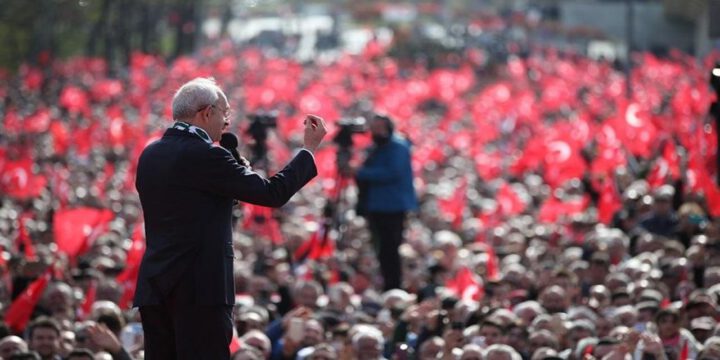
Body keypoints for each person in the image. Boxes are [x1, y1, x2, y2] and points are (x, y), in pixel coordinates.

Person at [134, 77, 327, 359]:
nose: (227, 122)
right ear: (206, 112)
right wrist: (308, 150)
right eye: (225, 112)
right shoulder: (204, 155)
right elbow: (272, 194)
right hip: (200, 289)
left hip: (156, 285)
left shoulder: (151, 153)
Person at [351, 114, 418, 290]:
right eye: (373, 128)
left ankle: (393, 284)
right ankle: (387, 281)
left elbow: (392, 172)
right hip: (377, 206)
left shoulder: (398, 147)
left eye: (379, 128)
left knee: (390, 249)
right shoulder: (376, 147)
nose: (375, 132)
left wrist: (360, 172)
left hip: (392, 206)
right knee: (381, 249)